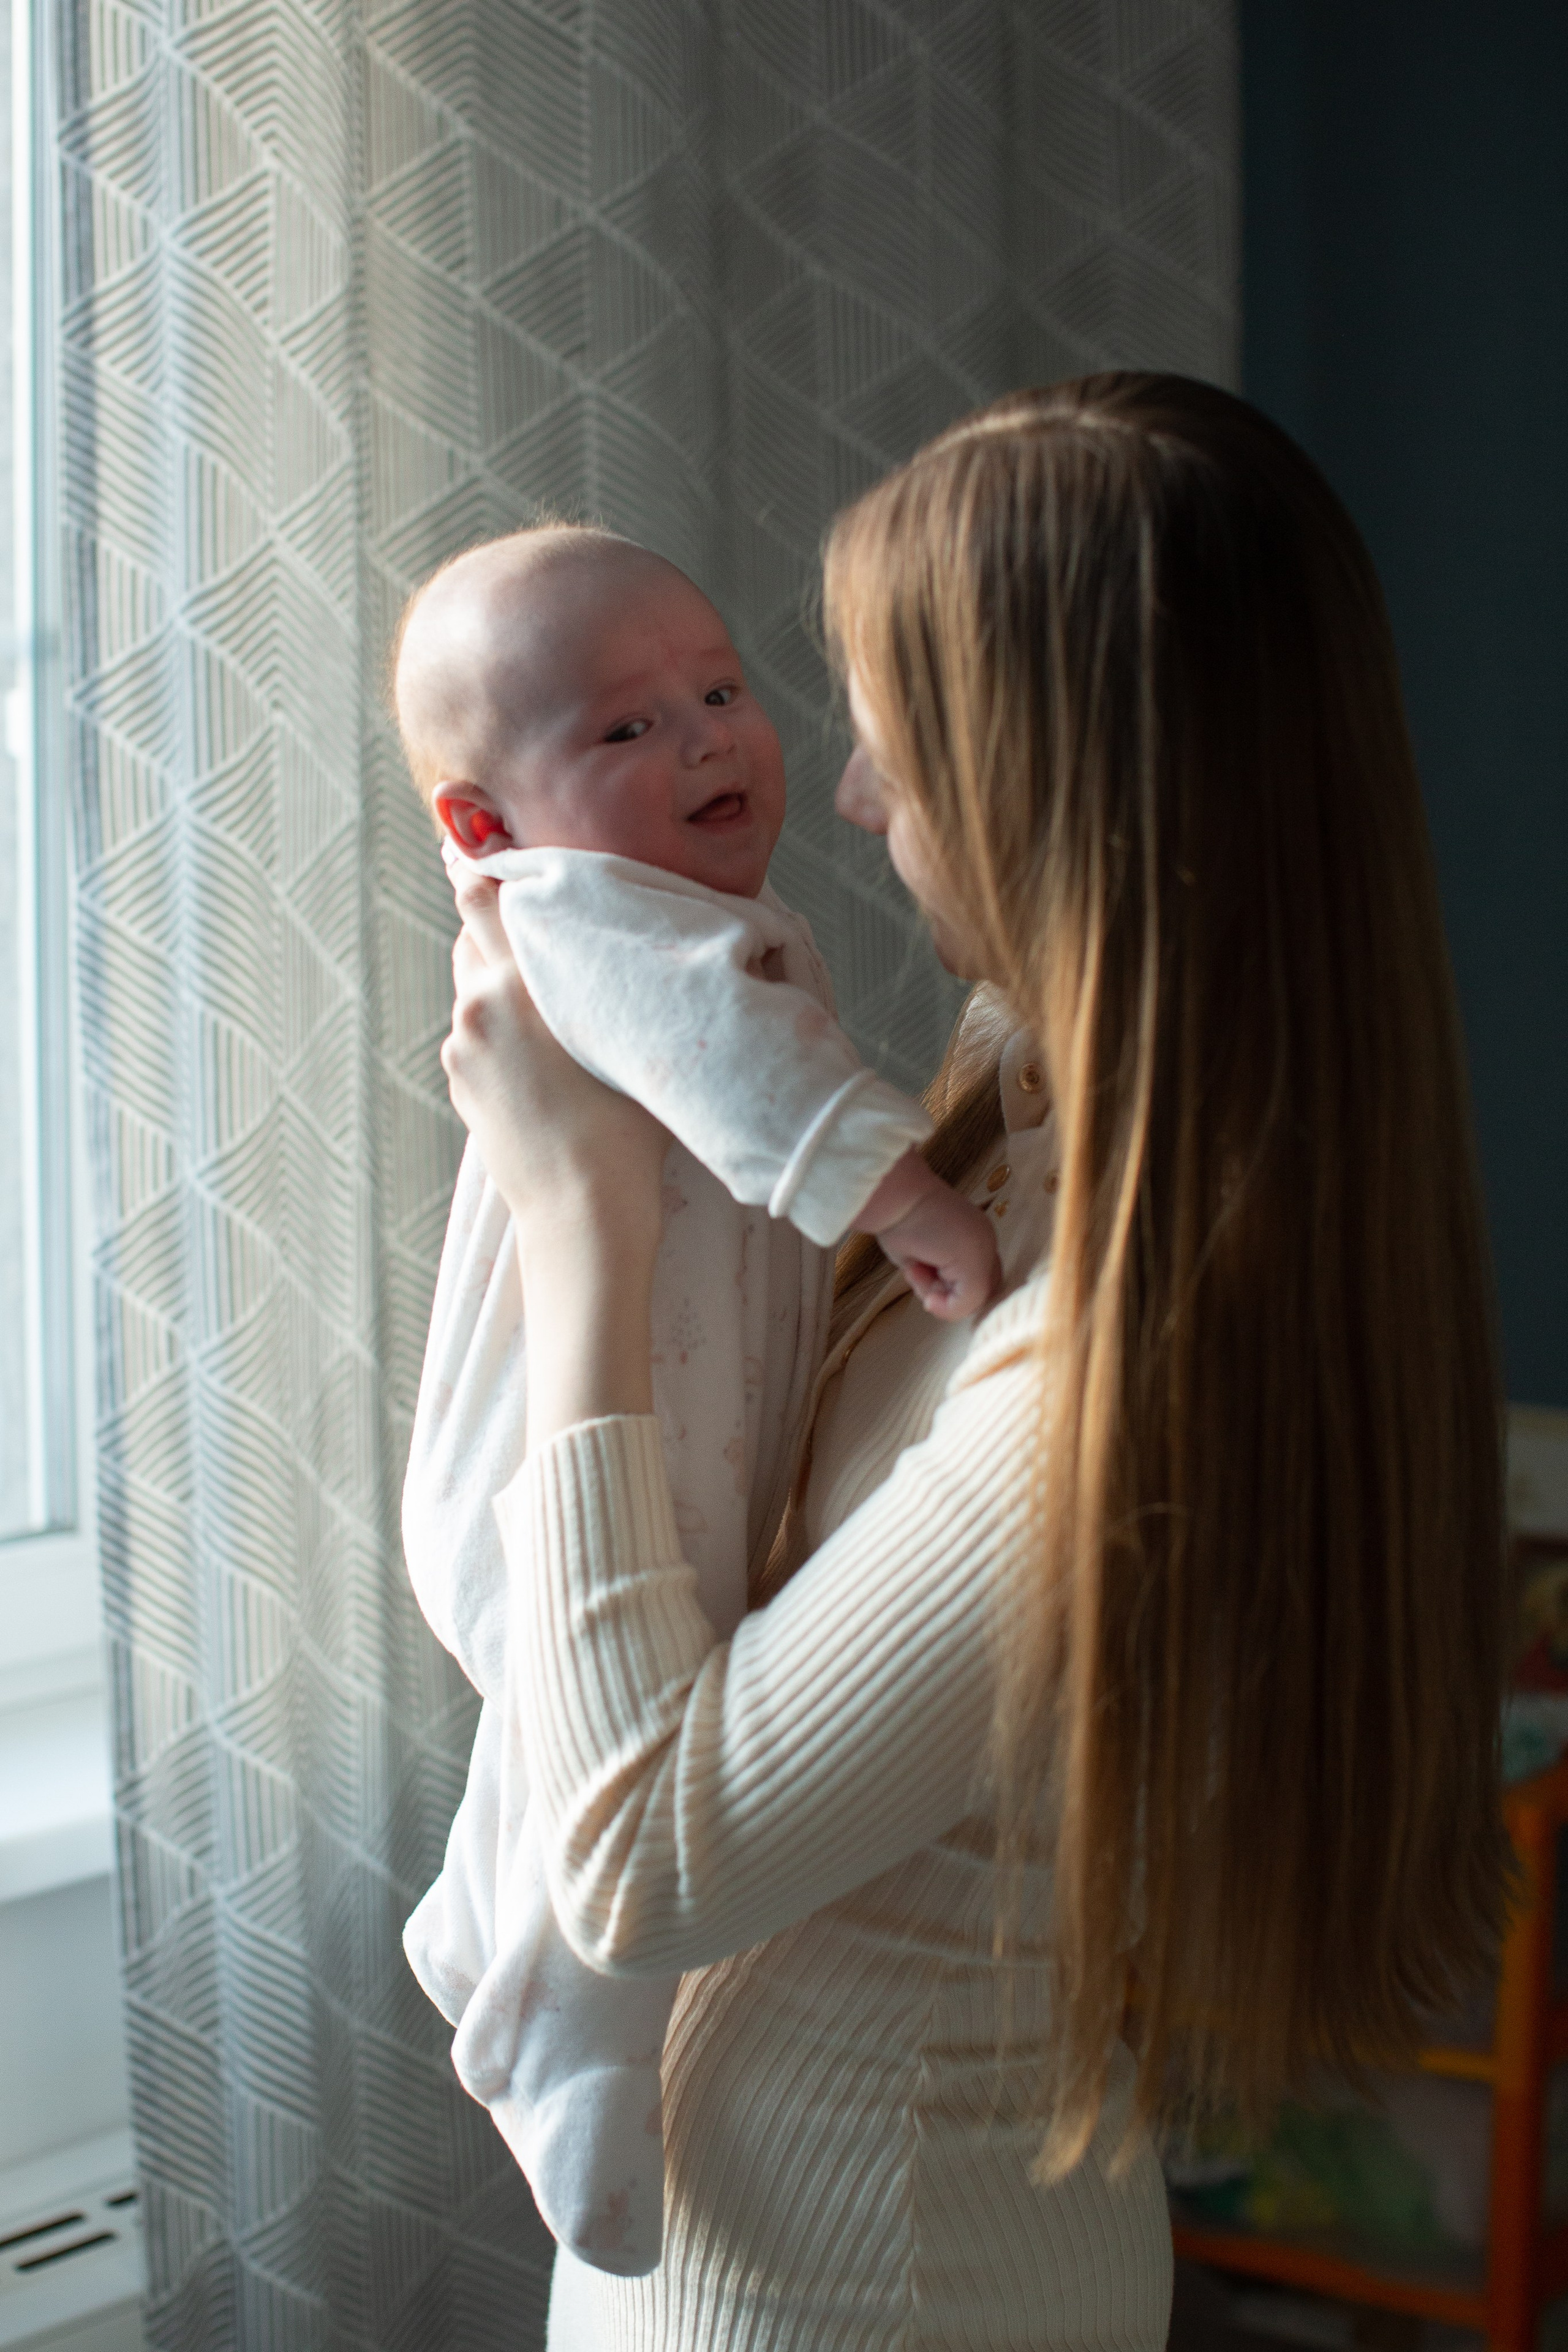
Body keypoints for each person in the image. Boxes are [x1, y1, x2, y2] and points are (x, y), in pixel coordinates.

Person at [438, 375, 1511, 2352]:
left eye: (896, 740)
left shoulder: (1117, 1347)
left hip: (870, 2293)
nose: (845, 795)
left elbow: (646, 1872)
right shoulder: (1031, 1120)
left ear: (1063, 785)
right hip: (806, 2248)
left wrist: (573, 1217)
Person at [392, 527, 998, 2273]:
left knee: (581, 1727)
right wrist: (914, 1205)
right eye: (624, 731)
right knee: (615, 1731)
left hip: (667, 1411)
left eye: (718, 692)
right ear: (480, 828)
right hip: (573, 1448)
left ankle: (483, 1931)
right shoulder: (581, 919)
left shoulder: (681, 914)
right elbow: (746, 1074)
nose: (710, 743)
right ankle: (561, 2045)